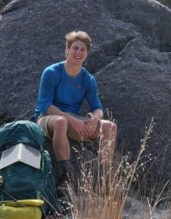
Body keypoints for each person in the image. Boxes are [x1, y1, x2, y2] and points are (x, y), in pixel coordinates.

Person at [34, 31, 117, 193]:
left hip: (73, 119)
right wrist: (73, 121)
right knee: (61, 122)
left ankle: (103, 179)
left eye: (83, 50)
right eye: (75, 48)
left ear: (86, 54)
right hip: (48, 118)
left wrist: (94, 120)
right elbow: (44, 104)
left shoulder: (88, 79)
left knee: (110, 127)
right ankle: (65, 176)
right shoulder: (52, 72)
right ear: (67, 49)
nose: (78, 52)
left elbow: (97, 107)